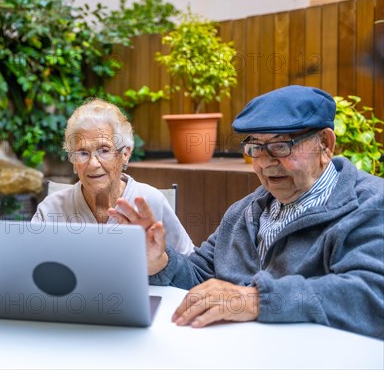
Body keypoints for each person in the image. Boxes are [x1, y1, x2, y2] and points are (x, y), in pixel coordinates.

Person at [112, 85, 384, 339]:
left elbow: (371, 295)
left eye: (280, 146)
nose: (265, 163)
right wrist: (160, 261)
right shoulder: (245, 211)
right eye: (255, 148)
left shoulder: (370, 204)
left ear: (324, 144)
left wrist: (255, 299)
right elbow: (200, 276)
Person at [33, 98, 195, 256]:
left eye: (104, 150)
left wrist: (161, 260)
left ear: (125, 154)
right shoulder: (51, 209)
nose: (93, 163)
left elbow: (190, 266)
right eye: (83, 153)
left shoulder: (152, 201)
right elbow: (29, 264)